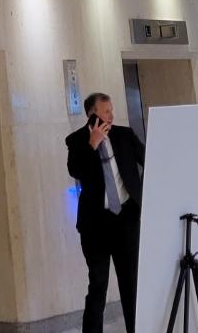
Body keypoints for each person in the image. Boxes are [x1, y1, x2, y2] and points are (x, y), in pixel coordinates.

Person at [66, 92, 144, 333]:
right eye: (106, 110)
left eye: (111, 110)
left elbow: (148, 158)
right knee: (98, 284)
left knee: (131, 283)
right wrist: (93, 143)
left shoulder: (124, 135)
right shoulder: (77, 140)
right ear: (93, 113)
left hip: (126, 220)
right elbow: (76, 170)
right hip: (95, 226)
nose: (111, 114)